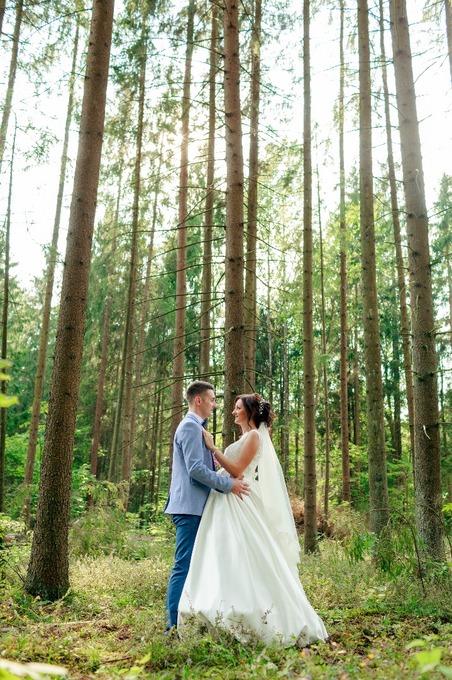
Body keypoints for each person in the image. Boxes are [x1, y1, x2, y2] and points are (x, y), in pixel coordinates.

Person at [178, 393, 328, 647]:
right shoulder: (244, 437)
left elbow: (238, 470)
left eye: (238, 408)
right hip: (226, 496)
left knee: (244, 553)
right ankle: (222, 605)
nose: (233, 412)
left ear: (249, 412)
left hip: (239, 497)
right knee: (225, 555)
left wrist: (213, 448)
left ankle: (253, 611)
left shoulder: (255, 437)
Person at [164, 380, 250, 631]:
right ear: (198, 400)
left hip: (196, 507)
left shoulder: (196, 427)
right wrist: (228, 484)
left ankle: (189, 621)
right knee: (183, 565)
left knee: (195, 565)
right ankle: (172, 627)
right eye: (212, 400)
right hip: (189, 508)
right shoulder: (190, 427)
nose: (215, 405)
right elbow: (195, 470)